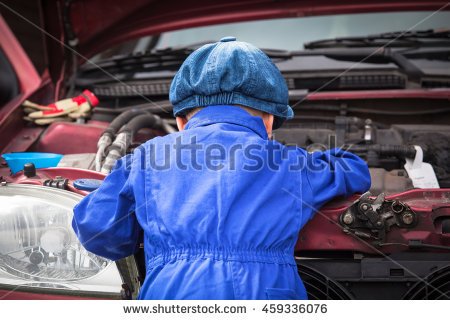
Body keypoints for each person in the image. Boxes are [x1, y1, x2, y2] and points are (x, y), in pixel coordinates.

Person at [72, 37, 371, 299]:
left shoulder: (147, 159)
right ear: (269, 122)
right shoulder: (290, 164)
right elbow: (355, 171)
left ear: (180, 122)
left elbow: (98, 230)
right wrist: (316, 156)